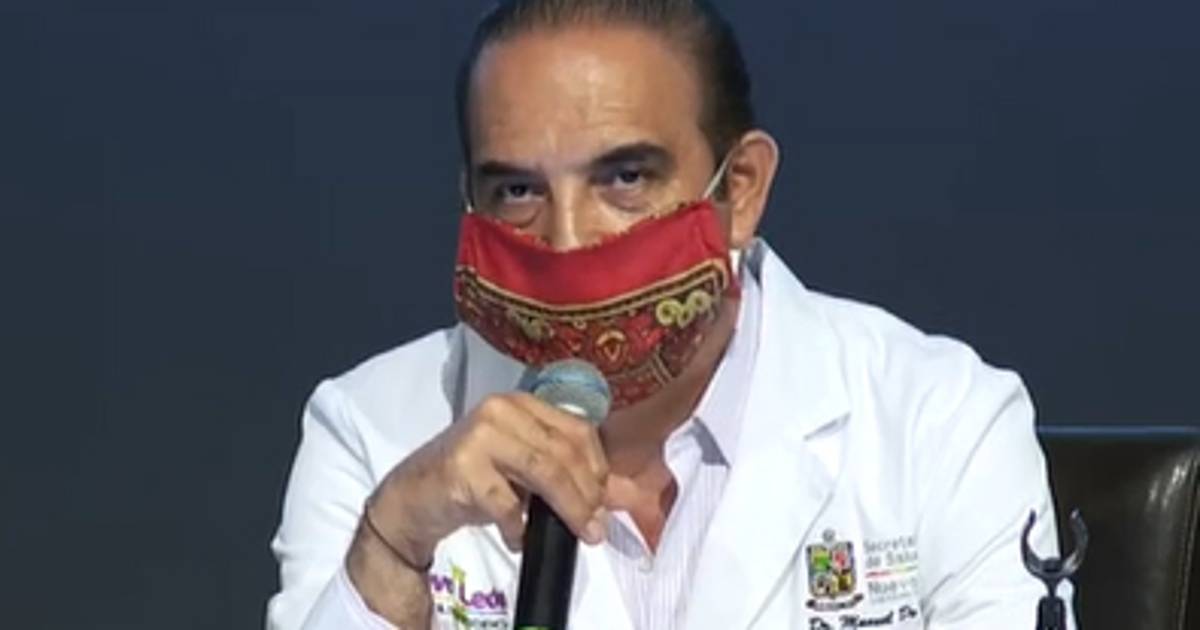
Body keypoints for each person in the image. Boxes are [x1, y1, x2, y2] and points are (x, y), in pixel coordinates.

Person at [267, 1, 1076, 628]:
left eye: (624, 178)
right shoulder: (372, 435)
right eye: (516, 190)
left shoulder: (940, 421)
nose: (569, 239)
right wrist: (393, 549)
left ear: (741, 189)